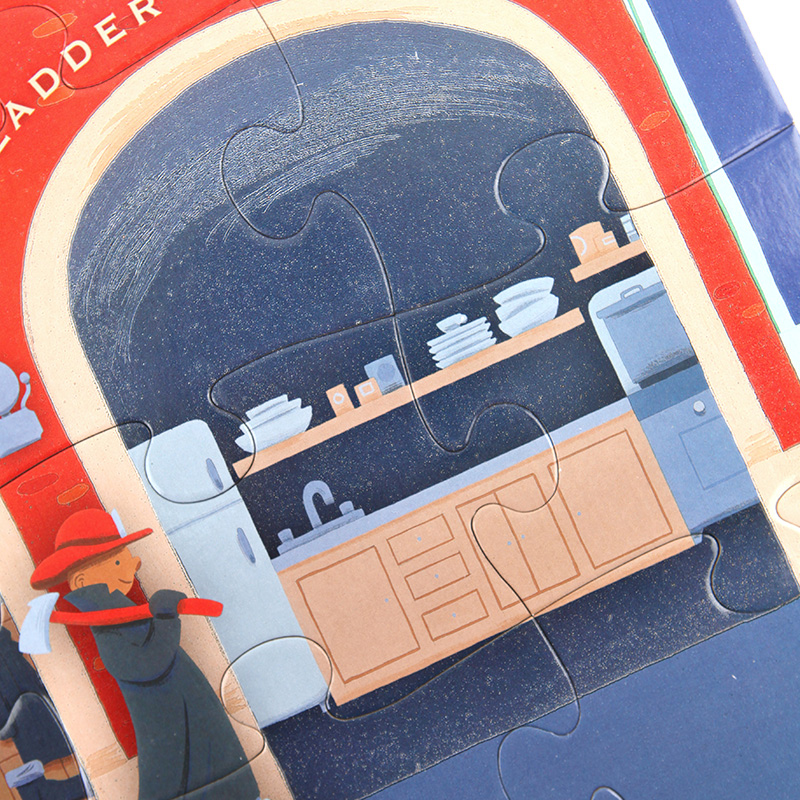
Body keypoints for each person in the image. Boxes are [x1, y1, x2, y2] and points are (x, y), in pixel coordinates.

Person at [29, 508, 260, 800]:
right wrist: (166, 619)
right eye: (117, 561)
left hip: (185, 717)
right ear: (83, 582)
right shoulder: (108, 632)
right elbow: (150, 664)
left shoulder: (122, 612)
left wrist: (162, 616)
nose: (133, 564)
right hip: (170, 726)